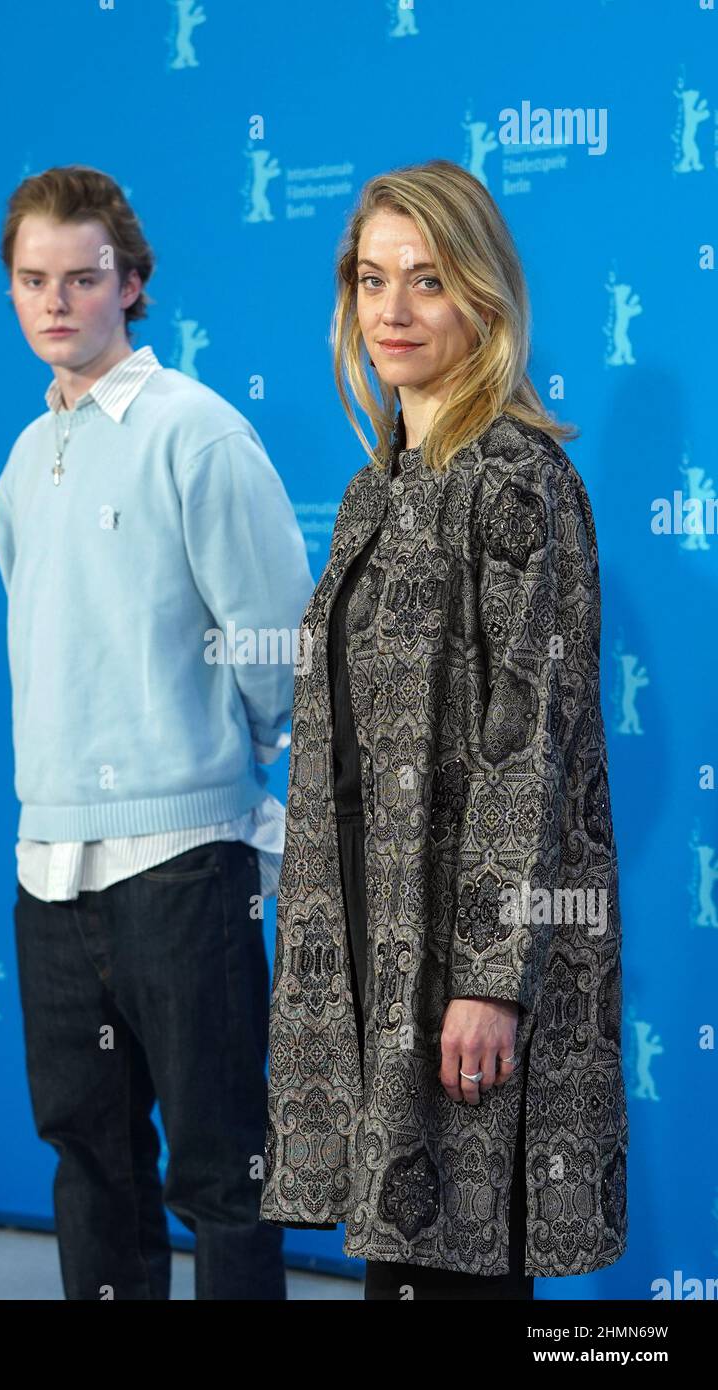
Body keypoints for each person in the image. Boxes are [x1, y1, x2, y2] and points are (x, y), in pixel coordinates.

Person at [259, 159, 629, 1300]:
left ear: (482, 295)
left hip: (462, 973)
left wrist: (491, 979)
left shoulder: (516, 480)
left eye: (426, 279)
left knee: (455, 1274)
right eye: (372, 279)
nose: (393, 309)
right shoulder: (373, 491)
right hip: (375, 957)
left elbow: (530, 752)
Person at [0, 164, 314, 1300]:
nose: (56, 301)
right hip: (49, 870)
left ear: (131, 283)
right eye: (33, 279)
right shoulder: (24, 461)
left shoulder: (198, 431)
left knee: (223, 1170)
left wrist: (220, 774)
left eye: (82, 277)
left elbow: (275, 637)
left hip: (182, 866)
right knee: (90, 1164)